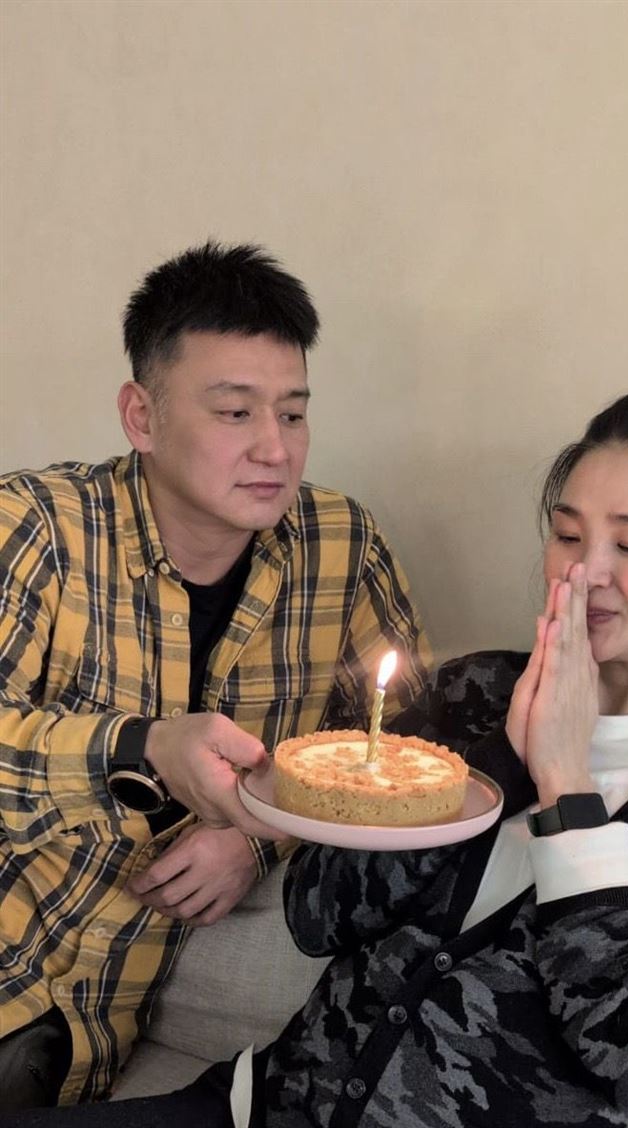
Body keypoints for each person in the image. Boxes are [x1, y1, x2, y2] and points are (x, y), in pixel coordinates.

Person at [7, 386, 628, 1128]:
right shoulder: (475, 693)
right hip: (270, 1102)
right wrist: (499, 761)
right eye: (567, 535)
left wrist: (566, 789)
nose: (583, 572)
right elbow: (318, 913)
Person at [0, 241, 430, 1110]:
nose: (275, 448)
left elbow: (399, 755)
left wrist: (260, 836)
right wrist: (144, 747)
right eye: (235, 412)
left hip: (89, 1025)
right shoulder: (36, 527)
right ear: (142, 415)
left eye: (293, 414)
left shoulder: (342, 548)